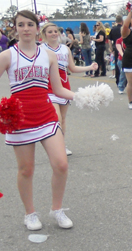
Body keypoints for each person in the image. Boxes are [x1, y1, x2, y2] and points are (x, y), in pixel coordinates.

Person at [0, 10, 77, 230]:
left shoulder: (49, 55)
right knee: (26, 169)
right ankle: (30, 213)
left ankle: (57, 209)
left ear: (37, 28)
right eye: (20, 25)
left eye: (29, 24)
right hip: (20, 119)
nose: (25, 29)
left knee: (61, 164)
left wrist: (84, 96)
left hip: (46, 114)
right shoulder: (7, 55)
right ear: (15, 28)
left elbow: (59, 89)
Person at [40, 22, 98, 156]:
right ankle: (56, 146)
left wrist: (89, 67)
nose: (54, 34)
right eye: (50, 32)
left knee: (63, 119)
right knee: (57, 118)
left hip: (64, 86)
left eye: (56, 31)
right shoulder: (41, 49)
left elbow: (72, 68)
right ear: (44, 34)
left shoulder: (64, 49)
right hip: (48, 88)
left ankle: (61, 144)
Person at [108, 16, 123, 86]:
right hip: (124, 47)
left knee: (117, 64)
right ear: (122, 20)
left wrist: (111, 49)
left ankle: (118, 80)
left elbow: (109, 40)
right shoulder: (124, 29)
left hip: (116, 48)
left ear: (116, 21)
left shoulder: (113, 29)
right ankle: (125, 81)